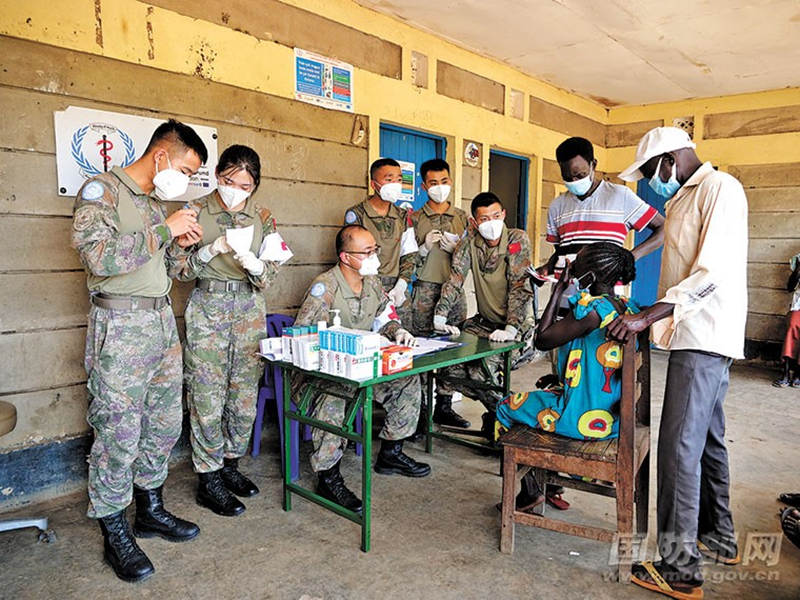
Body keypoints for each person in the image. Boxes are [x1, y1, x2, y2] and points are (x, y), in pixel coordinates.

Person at [609, 126, 748, 598]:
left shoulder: (720, 189)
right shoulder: (684, 198)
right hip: (694, 332)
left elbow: (714, 271)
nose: (653, 180)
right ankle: (719, 535)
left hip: (705, 333)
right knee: (706, 438)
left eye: (652, 170)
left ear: (671, 158)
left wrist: (648, 315)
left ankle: (679, 569)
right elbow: (671, 236)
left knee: (676, 449)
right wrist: (631, 255)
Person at [71, 119, 208, 582]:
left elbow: (175, 272)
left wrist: (184, 247)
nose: (187, 182)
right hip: (121, 323)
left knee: (164, 423)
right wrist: (165, 231)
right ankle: (114, 527)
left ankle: (150, 508)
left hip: (161, 321)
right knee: (118, 431)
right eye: (187, 170)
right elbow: (100, 259)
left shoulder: (155, 205)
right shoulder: (101, 191)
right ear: (162, 156)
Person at [170, 145, 284, 517]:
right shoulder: (196, 211)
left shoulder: (263, 216)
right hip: (208, 309)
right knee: (206, 396)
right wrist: (208, 251)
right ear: (217, 175)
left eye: (246, 185)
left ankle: (230, 465)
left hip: (249, 308)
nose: (236, 189)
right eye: (229, 181)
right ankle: (209, 478)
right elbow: (180, 272)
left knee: (243, 397)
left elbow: (270, 276)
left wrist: (254, 265)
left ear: (256, 185)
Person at [293, 225, 430, 512]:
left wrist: (397, 331)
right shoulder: (325, 287)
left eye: (375, 250)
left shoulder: (371, 282)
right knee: (332, 399)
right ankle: (328, 477)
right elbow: (303, 334)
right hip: (323, 373)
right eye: (367, 252)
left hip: (362, 368)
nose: (374, 257)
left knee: (406, 381)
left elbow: (384, 317)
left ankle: (391, 452)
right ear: (345, 257)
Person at [496, 243, 638, 512]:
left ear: (590, 277)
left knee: (505, 407)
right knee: (540, 398)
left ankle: (533, 490)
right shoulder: (625, 307)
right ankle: (547, 485)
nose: (572, 269)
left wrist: (558, 290)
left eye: (578, 265)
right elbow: (592, 361)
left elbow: (542, 339)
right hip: (613, 417)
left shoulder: (592, 311)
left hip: (581, 417)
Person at [433, 192, 534, 440]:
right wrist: (440, 316)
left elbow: (520, 287)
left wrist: (511, 328)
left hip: (518, 325)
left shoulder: (516, 239)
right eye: (484, 218)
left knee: (481, 371)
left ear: (504, 215)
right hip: (484, 323)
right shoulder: (468, 244)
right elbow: (455, 279)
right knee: (450, 365)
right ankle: (498, 410)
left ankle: (509, 420)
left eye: (496, 216)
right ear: (474, 222)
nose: (491, 222)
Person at [538, 137, 664, 281]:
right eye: (567, 177)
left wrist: (630, 257)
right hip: (563, 292)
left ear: (594, 165)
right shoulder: (557, 205)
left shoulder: (620, 196)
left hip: (604, 293)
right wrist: (546, 268)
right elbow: (561, 252)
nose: (574, 181)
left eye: (580, 175)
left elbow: (663, 227)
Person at [409, 158, 470, 428]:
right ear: (424, 186)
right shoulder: (414, 218)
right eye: (433, 183)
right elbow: (407, 258)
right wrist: (423, 249)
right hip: (424, 289)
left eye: (444, 182)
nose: (440, 187)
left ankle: (444, 405)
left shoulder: (463, 218)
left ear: (451, 182)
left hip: (455, 291)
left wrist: (458, 248)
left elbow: (473, 256)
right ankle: (421, 411)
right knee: (421, 350)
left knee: (453, 349)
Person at [343, 158, 418, 317]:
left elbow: (409, 254)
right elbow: (351, 256)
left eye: (399, 180)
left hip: (397, 288)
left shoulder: (403, 216)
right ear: (373, 184)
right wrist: (375, 288)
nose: (395, 184)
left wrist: (401, 285)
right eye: (389, 179)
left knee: (403, 335)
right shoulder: (357, 214)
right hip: (365, 285)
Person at [773, 253, 800, 387]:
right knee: (791, 330)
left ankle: (798, 375)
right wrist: (798, 270)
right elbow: (790, 288)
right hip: (798, 306)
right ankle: (785, 373)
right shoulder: (798, 259)